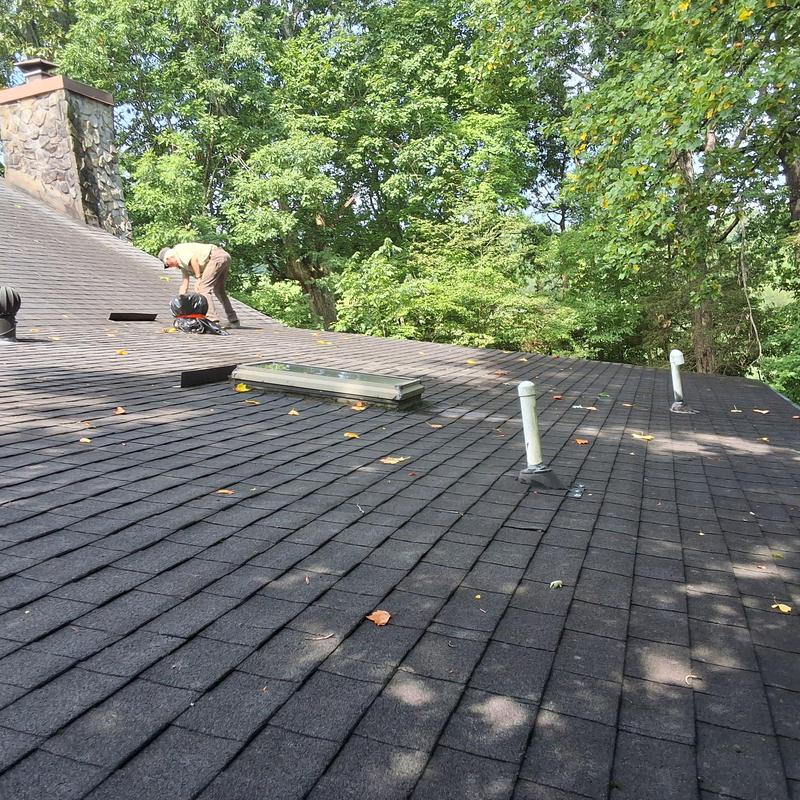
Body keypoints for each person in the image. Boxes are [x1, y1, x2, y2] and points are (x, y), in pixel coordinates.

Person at [159, 242, 240, 328]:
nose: (170, 267)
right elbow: (184, 284)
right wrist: (180, 303)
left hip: (216, 257)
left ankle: (212, 320)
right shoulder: (183, 264)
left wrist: (198, 278)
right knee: (219, 291)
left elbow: (194, 259)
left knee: (203, 288)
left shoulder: (178, 251)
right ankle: (234, 320)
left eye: (168, 265)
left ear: (169, 258)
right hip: (223, 256)